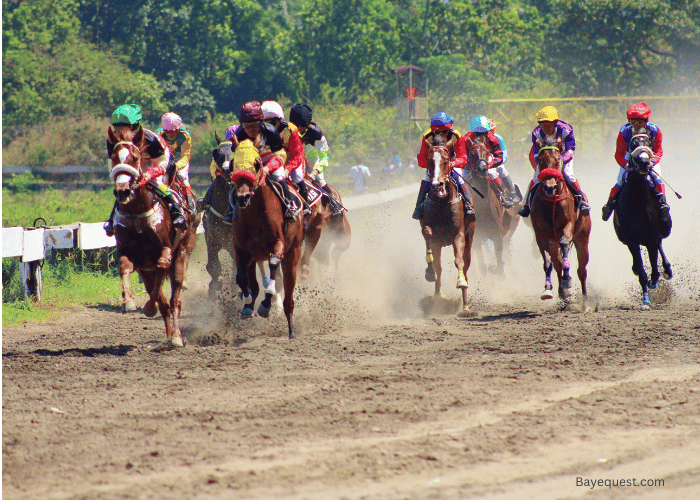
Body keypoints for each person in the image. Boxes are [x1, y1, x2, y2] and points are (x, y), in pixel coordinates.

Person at [104, 104, 186, 236]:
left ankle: (177, 212)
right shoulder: (113, 141)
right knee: (123, 188)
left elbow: (161, 163)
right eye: (116, 127)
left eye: (123, 127)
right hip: (131, 165)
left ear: (134, 127)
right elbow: (111, 163)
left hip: (156, 162)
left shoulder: (150, 139)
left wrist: (148, 174)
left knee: (157, 184)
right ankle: (112, 220)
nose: (119, 131)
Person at [223, 101, 295, 223]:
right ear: (241, 125)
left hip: (270, 159)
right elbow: (236, 156)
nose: (251, 129)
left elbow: (280, 154)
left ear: (261, 123)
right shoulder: (239, 135)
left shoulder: (271, 131)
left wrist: (268, 168)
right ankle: (231, 210)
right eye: (247, 125)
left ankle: (288, 205)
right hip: (249, 161)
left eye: (255, 125)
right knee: (237, 181)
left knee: (279, 175)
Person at [601, 102, 670, 223]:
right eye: (633, 122)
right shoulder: (624, 131)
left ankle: (663, 204)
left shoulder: (654, 130)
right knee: (621, 180)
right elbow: (618, 154)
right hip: (631, 156)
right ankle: (609, 205)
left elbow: (658, 151)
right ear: (629, 121)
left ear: (646, 121)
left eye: (640, 122)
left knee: (656, 177)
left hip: (649, 155)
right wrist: (625, 164)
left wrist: (652, 162)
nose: (636, 125)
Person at [518, 105, 591, 217]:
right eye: (543, 125)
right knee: (536, 178)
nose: (546, 128)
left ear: (555, 123)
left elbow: (570, 150)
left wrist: (561, 160)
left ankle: (582, 201)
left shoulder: (566, 130)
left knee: (568, 175)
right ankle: (527, 205)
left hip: (563, 157)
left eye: (549, 125)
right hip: (546, 159)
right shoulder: (536, 133)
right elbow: (536, 153)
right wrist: (542, 161)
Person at [413, 111, 475, 221]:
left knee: (459, 176)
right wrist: (433, 165)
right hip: (435, 163)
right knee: (427, 178)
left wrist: (453, 163)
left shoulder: (456, 135)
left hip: (451, 162)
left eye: (444, 132)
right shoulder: (427, 136)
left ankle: (469, 206)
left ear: (449, 130)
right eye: (437, 132)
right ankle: (418, 208)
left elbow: (463, 157)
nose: (440, 135)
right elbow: (422, 158)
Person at [288, 103, 343, 215]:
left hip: (313, 163)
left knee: (320, 180)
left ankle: (335, 207)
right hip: (293, 162)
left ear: (308, 124)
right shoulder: (286, 131)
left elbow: (324, 159)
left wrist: (313, 173)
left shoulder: (317, 136)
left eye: (301, 126)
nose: (297, 129)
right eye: (295, 125)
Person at [261, 100, 311, 215]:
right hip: (269, 160)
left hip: (290, 160)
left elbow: (298, 155)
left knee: (297, 177)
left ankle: (304, 206)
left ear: (280, 120)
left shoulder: (291, 131)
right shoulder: (259, 132)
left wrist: (288, 168)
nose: (269, 126)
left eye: (273, 122)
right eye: (265, 123)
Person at [461, 115, 516, 208]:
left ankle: (504, 195)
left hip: (488, 158)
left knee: (492, 173)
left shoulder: (492, 138)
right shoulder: (466, 139)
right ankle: (461, 199)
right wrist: (469, 164)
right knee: (463, 176)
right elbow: (462, 155)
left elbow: (499, 156)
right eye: (477, 134)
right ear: (473, 132)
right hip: (472, 160)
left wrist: (491, 164)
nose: (480, 136)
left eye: (483, 133)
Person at [156, 112, 196, 211]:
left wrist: (176, 166)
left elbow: (186, 157)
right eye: (167, 131)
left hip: (179, 160)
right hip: (163, 159)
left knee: (183, 177)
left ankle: (190, 206)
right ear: (163, 129)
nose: (170, 134)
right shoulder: (158, 135)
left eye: (174, 131)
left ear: (178, 129)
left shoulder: (185, 136)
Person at [200, 125, 239, 212]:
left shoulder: (244, 146)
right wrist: (219, 173)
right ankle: (206, 202)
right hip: (224, 175)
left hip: (240, 174)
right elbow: (213, 166)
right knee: (216, 182)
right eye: (230, 139)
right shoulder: (224, 148)